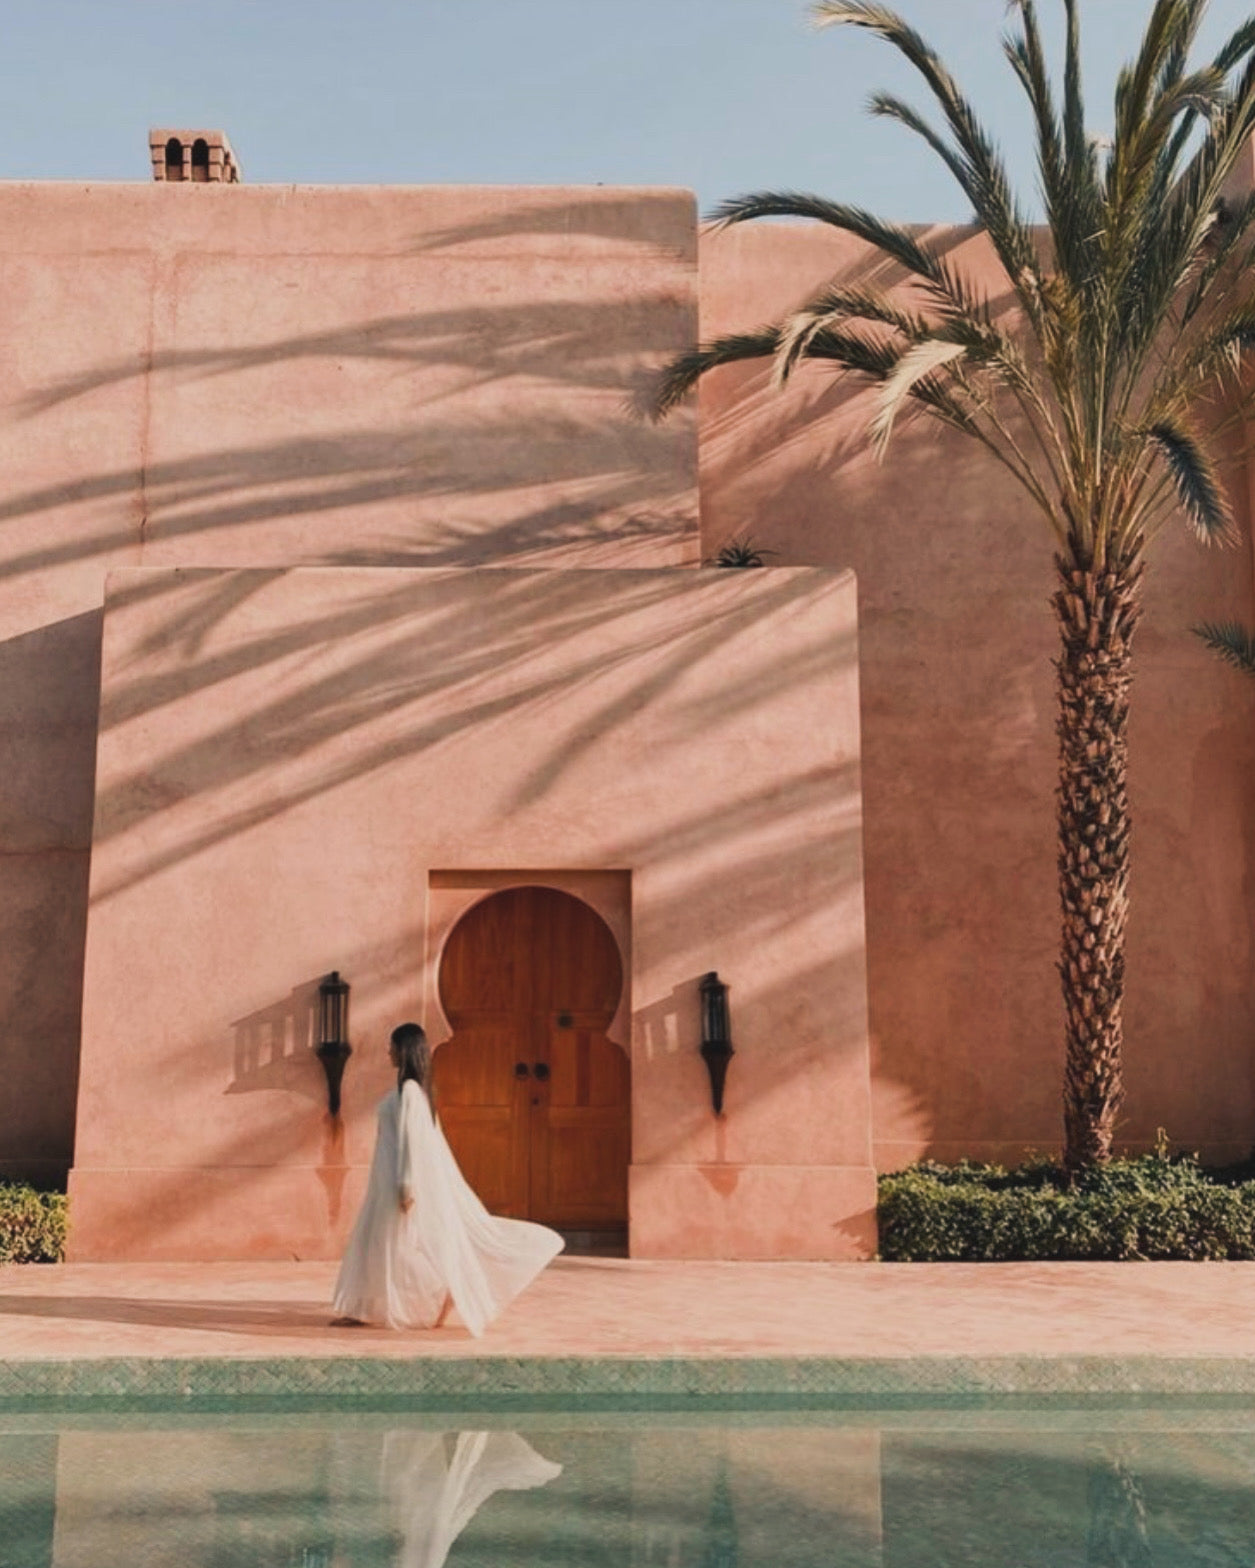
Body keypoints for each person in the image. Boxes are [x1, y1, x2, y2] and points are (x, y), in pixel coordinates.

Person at [332, 1021, 563, 1333]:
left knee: (408, 1245)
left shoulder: (412, 1092)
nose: (389, 1051)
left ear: (404, 1050)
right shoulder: (409, 1091)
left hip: (397, 1183)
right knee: (380, 1243)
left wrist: (406, 1187)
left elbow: (415, 1141)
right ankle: (364, 1308)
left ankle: (449, 1293)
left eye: (393, 1046)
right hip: (385, 1180)